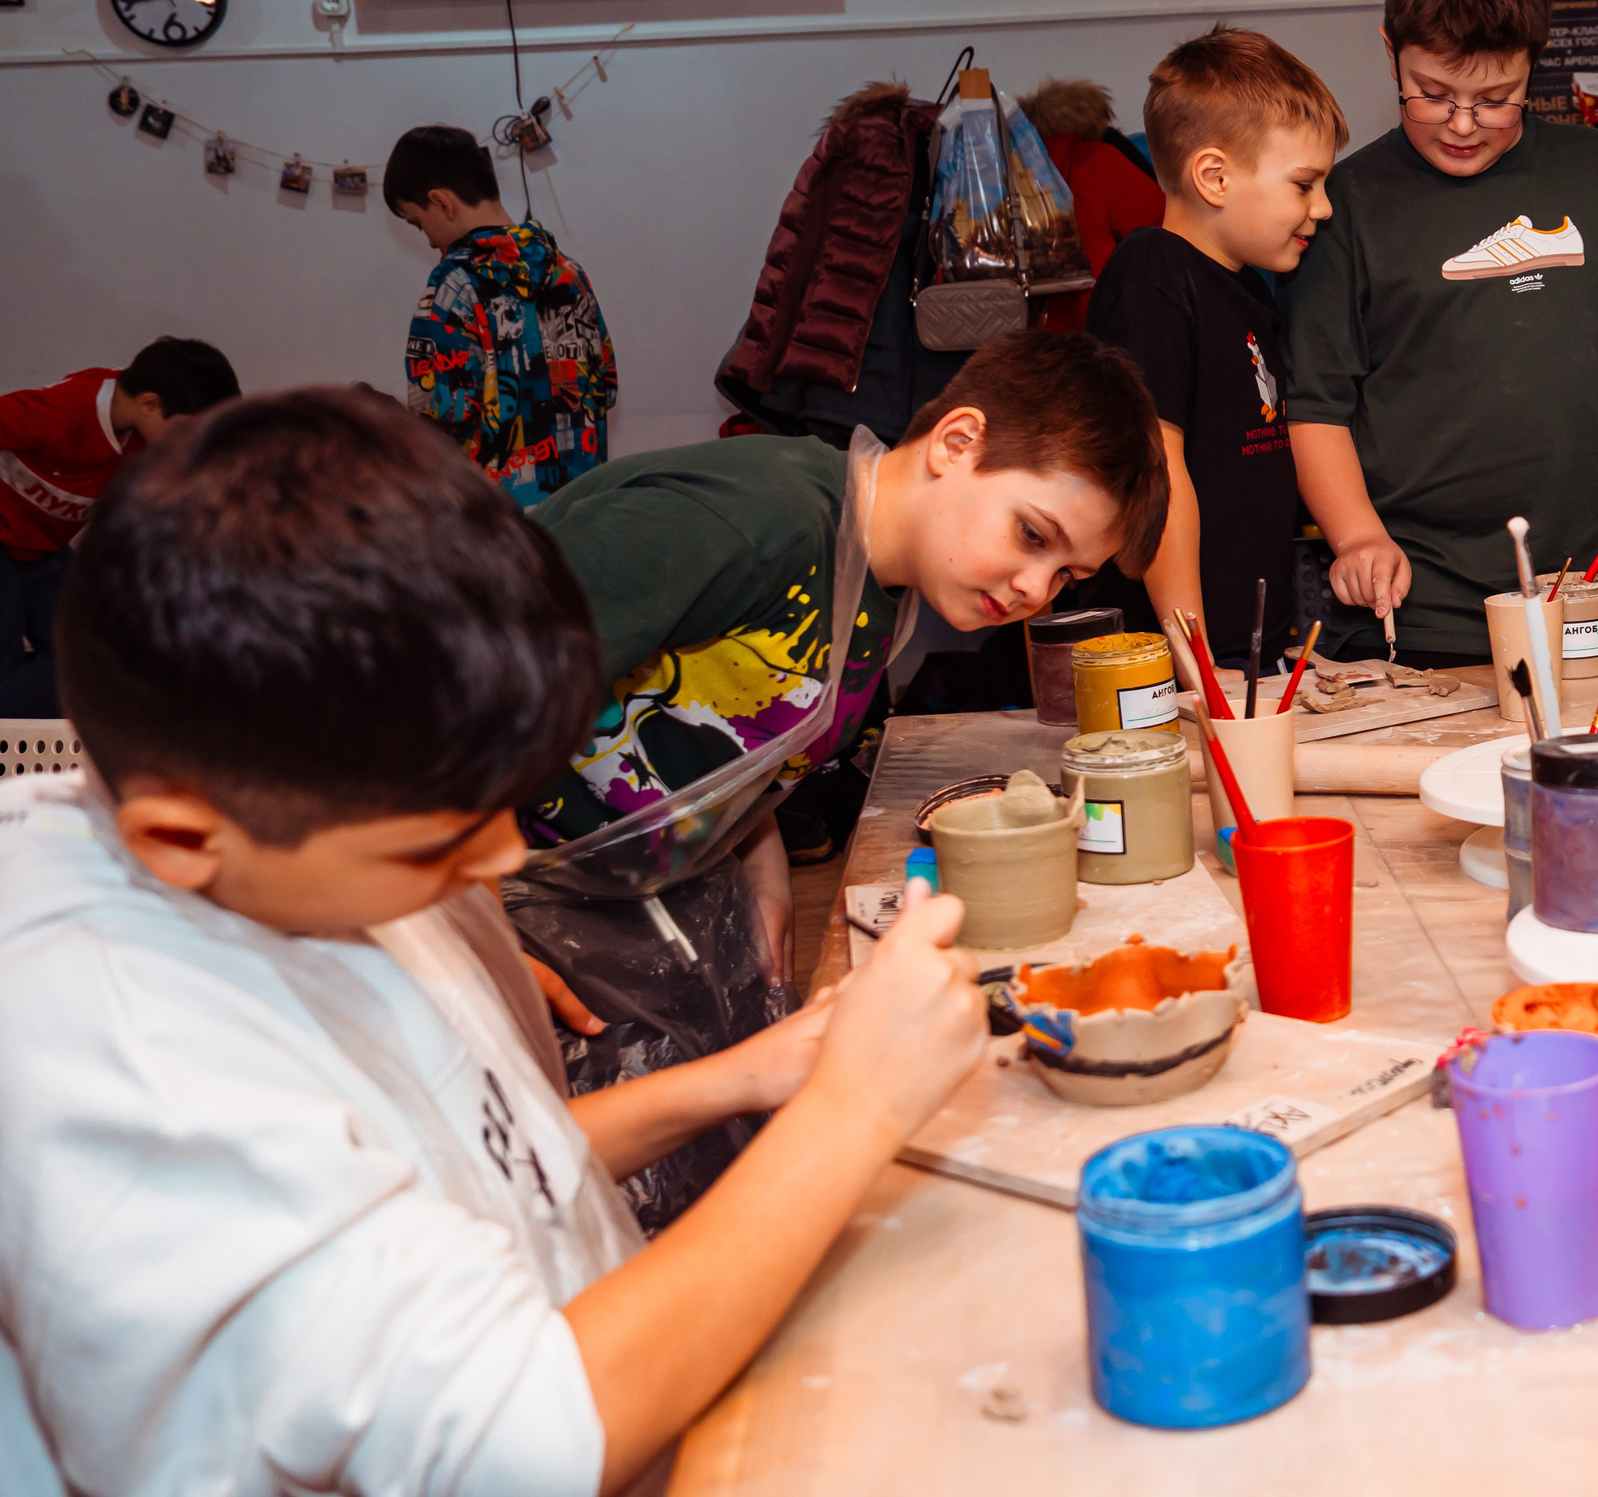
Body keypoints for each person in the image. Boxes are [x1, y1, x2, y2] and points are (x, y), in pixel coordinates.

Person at [3, 386, 988, 1496]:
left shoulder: (289, 849)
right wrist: (854, 1109)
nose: (497, 862)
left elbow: (484, 1170)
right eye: (435, 844)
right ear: (184, 837)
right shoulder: (138, 1085)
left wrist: (742, 1077)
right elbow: (522, 1436)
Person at [519, 331, 1166, 1022]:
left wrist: (758, 855)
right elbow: (431, 688)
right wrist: (455, 938)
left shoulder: (892, 593)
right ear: (957, 443)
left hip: (628, 898)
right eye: (1034, 535)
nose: (1036, 589)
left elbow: (746, 725)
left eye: (1067, 574)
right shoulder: (760, 520)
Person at [1285, 0, 1598, 664]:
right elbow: (1317, 406)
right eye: (1431, 93)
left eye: (1495, 98)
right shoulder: (1344, 205)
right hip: (1425, 610)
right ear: (1391, 52)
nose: (1462, 123)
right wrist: (1356, 533)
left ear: (1535, 61)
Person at [1086, 26, 1342, 667]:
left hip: (1245, 656)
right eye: (1304, 185)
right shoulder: (1153, 275)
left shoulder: (1250, 291)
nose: (1326, 207)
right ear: (1215, 177)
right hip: (1171, 668)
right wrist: (1191, 657)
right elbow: (1157, 472)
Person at [0, 336, 237, 717]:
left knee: (87, 653)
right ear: (149, 404)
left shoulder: (145, 437)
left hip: (42, 547)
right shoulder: (60, 412)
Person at [388, 123, 617, 508]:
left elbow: (442, 421)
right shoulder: (569, 271)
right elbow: (605, 387)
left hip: (495, 524)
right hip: (581, 509)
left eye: (418, 222)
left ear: (442, 203)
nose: (427, 240)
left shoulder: (452, 284)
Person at [1019, 76, 1166, 332]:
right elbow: (1165, 228)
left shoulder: (996, 171)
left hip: (1019, 336)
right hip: (1104, 326)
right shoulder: (1098, 159)